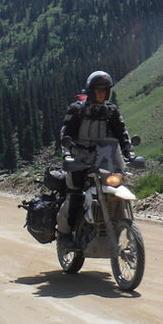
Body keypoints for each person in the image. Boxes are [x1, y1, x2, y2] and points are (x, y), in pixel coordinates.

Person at [55, 70, 134, 247]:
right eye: (98, 89)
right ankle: (64, 234)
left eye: (104, 89)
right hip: (78, 161)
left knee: (117, 189)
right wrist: (68, 155)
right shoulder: (76, 110)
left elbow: (122, 133)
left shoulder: (111, 111)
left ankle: (119, 229)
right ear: (91, 90)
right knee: (75, 194)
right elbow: (65, 134)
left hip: (104, 161)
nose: (101, 93)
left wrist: (129, 154)